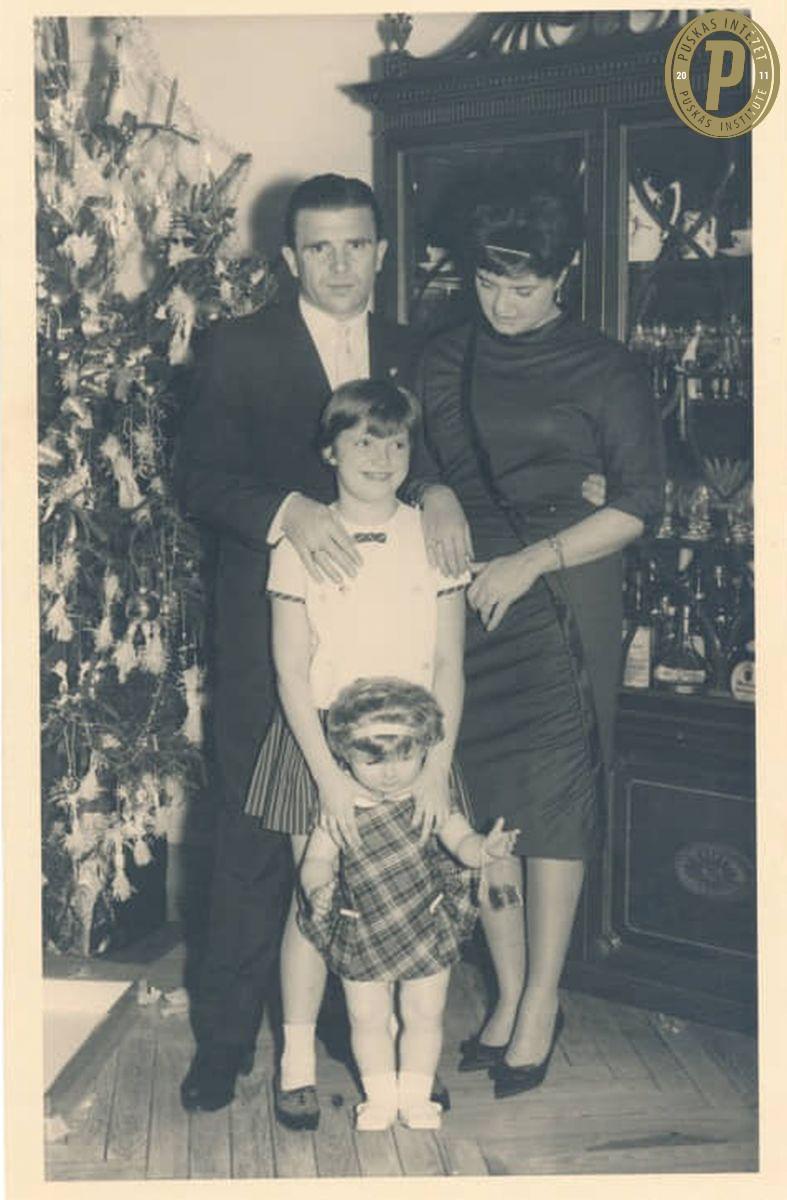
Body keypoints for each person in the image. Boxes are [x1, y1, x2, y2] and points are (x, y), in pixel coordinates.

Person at [174, 173, 463, 1113]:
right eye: (320, 248)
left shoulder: (416, 348)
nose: (340, 265)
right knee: (256, 838)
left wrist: (440, 492)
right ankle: (225, 1042)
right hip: (276, 631)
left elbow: (430, 458)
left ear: (381, 251)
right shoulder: (238, 345)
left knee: (380, 836)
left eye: (356, 245)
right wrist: (287, 511)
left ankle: (353, 1031)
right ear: (291, 257)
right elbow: (198, 478)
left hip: (383, 640)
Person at [415, 179, 666, 1097]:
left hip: (561, 591)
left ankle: (541, 999)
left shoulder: (606, 368)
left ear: (563, 276)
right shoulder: (445, 356)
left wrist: (530, 562)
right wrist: (435, 492)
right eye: (488, 283)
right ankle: (509, 987)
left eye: (522, 287)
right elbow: (414, 455)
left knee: (550, 804)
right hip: (465, 591)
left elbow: (638, 504)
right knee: (483, 796)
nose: (503, 304)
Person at [243, 377, 476, 1128]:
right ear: (331, 452)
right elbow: (289, 671)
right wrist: (329, 782)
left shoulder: (433, 534)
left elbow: (450, 665)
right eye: (363, 442)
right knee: (317, 904)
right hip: (320, 743)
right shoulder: (301, 541)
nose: (381, 457)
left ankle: (410, 1068)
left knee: (416, 891)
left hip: (417, 746)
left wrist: (435, 770)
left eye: (396, 442)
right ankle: (297, 1063)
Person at [298, 677, 518, 1132]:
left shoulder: (429, 800)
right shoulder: (340, 808)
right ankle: (380, 1100)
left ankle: (416, 1099)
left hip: (424, 923)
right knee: (367, 1018)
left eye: (404, 755)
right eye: (372, 759)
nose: (390, 772)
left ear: (425, 748)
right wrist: (318, 887)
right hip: (362, 927)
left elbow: (461, 842)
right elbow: (316, 859)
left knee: (424, 1014)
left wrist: (485, 850)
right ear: (344, 753)